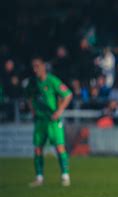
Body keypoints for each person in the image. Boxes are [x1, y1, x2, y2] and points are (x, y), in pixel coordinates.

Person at [26, 57, 73, 187]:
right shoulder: (32, 83)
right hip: (40, 120)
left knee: (59, 147)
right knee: (37, 149)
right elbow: (28, 96)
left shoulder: (52, 81)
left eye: (37, 67)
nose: (35, 70)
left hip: (53, 120)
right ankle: (39, 178)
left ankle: (65, 176)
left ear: (43, 67)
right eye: (33, 67)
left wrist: (59, 111)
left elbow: (68, 94)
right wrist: (32, 110)